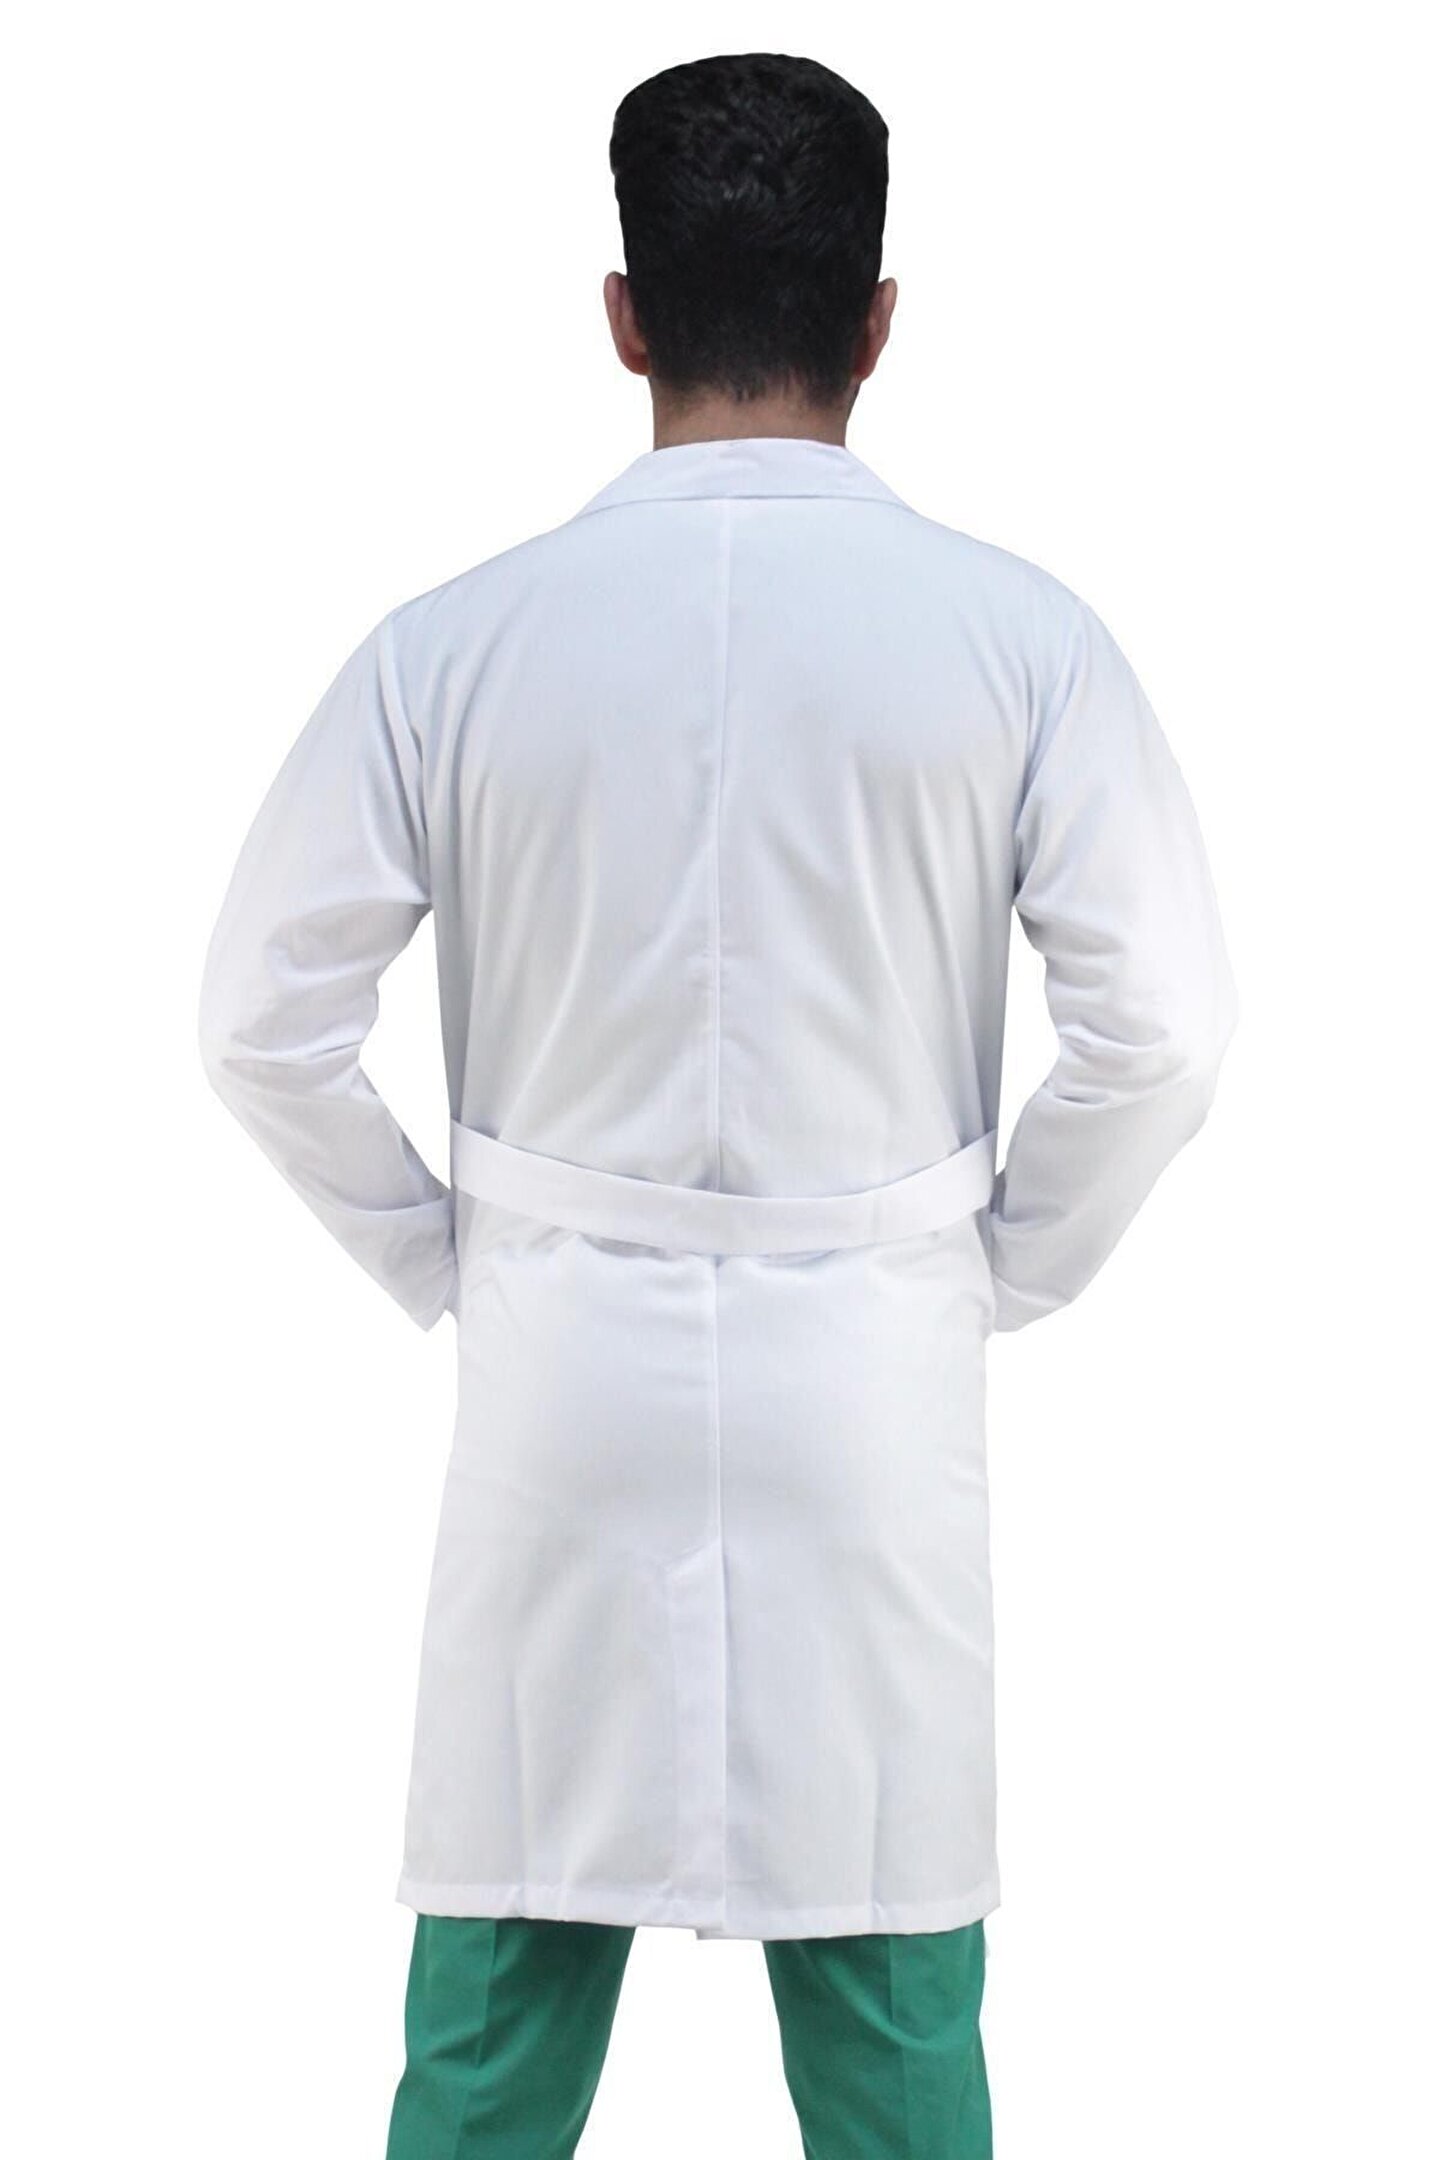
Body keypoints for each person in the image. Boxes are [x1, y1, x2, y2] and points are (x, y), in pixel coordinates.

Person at [196, 49, 1239, 2160]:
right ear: (878, 320)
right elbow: (1168, 1030)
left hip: (558, 1373)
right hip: (873, 1381)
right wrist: (999, 1263)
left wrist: (445, 1255)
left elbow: (257, 1022)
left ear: (623, 315)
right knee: (893, 1994)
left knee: (496, 1998)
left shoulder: (450, 645)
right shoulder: (1024, 641)